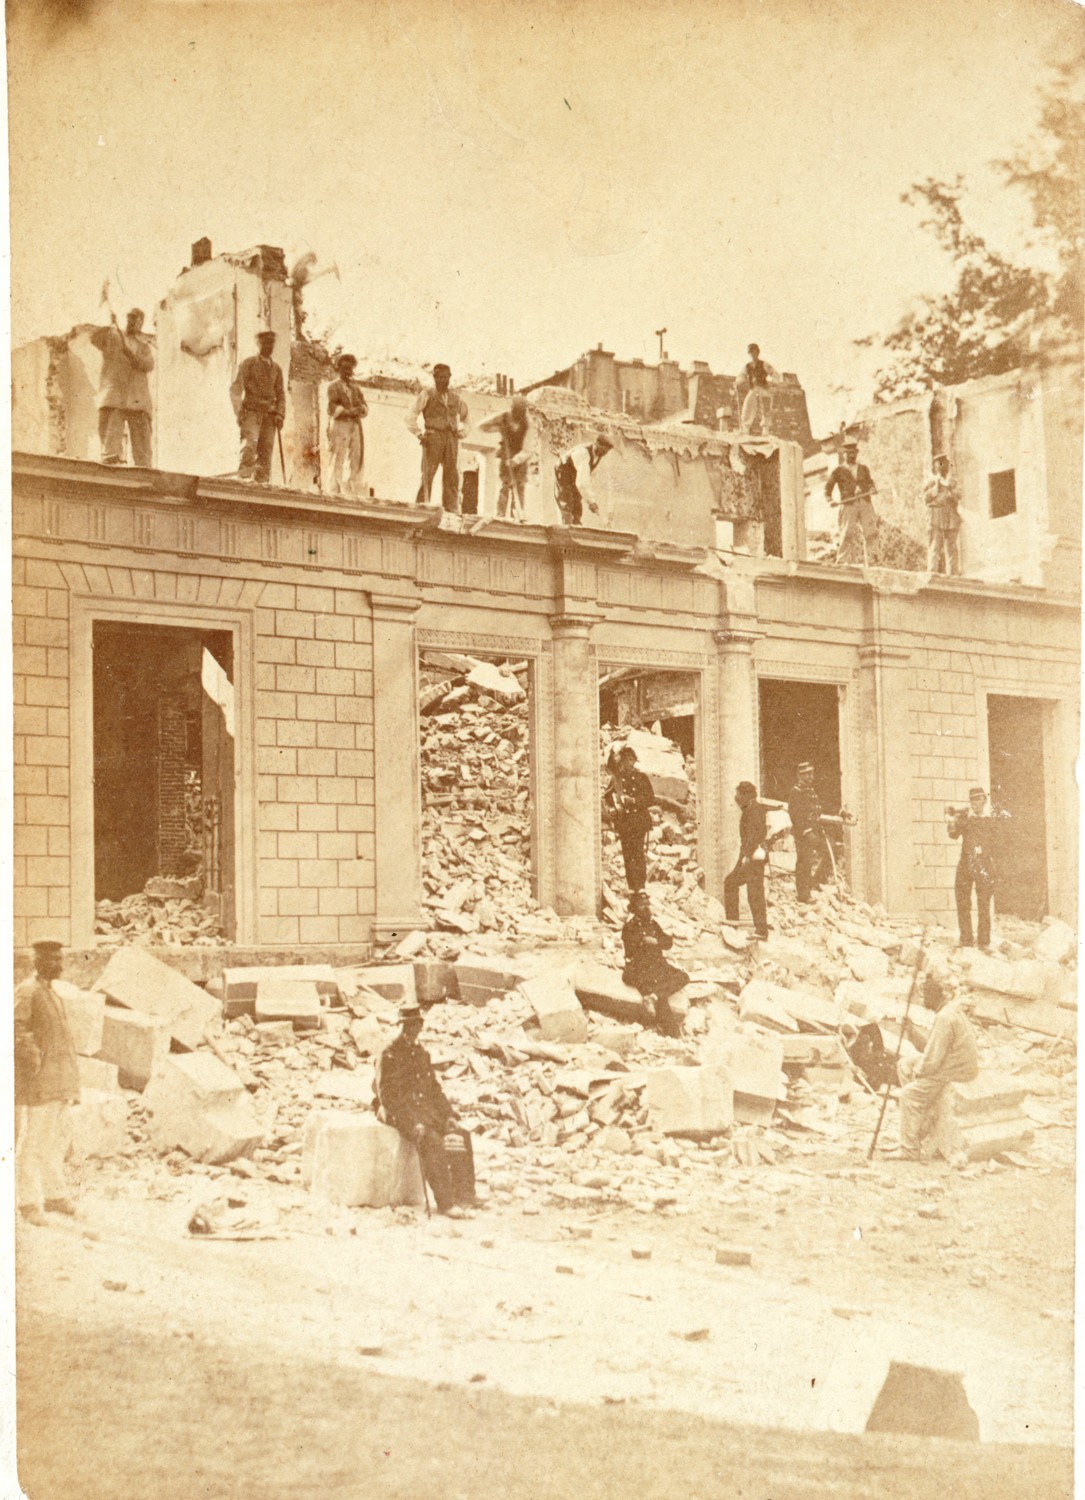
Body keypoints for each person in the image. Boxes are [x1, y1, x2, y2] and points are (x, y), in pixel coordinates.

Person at [374, 1001, 475, 1218]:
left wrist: (448, 1115)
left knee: (460, 1135)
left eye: (416, 1025)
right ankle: (446, 1203)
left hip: (424, 1110)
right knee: (432, 1141)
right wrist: (412, 1123)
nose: (412, 1030)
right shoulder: (389, 1053)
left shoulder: (421, 1053)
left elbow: (433, 1089)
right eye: (407, 1025)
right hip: (397, 1112)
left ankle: (465, 1195)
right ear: (399, 1026)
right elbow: (388, 1097)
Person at [15, 940, 81, 1226]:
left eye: (60, 959)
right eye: (54, 960)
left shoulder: (51, 992)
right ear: (38, 962)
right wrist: (35, 1060)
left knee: (55, 1142)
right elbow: (15, 1028)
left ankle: (55, 1196)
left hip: (59, 1082)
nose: (60, 964)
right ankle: (27, 1203)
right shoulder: (27, 991)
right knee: (32, 1144)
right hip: (41, 1083)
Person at [893, 972, 979, 1162]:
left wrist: (918, 1075)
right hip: (955, 1063)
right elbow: (932, 1049)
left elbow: (932, 1060)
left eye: (924, 996)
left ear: (934, 996)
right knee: (904, 1063)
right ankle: (920, 1125)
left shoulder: (945, 1018)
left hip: (954, 1069)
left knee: (908, 1095)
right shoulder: (948, 1011)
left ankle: (909, 1148)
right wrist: (911, 1032)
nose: (922, 1000)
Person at [90, 308, 155, 467]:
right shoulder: (113, 337)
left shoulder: (143, 346)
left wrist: (131, 355)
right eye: (131, 319)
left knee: (141, 439)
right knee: (111, 429)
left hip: (137, 397)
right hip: (115, 394)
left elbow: (148, 364)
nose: (133, 323)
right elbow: (95, 339)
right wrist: (109, 326)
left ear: (141, 323)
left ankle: (143, 465)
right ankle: (111, 457)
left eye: (137, 320)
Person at [622, 891, 690, 1037]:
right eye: (642, 905)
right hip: (639, 968)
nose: (647, 908)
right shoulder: (630, 926)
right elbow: (631, 950)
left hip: (657, 965)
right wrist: (643, 941)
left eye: (648, 904)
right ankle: (673, 1034)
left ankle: (654, 996)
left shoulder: (653, 924)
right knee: (661, 997)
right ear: (633, 908)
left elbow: (668, 943)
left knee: (683, 977)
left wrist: (657, 941)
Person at [405, 364, 470, 512]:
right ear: (434, 377)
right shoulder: (427, 394)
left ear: (449, 377)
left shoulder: (456, 398)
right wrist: (418, 434)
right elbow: (410, 415)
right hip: (433, 436)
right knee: (428, 472)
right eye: (439, 377)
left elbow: (467, 419)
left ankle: (451, 509)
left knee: (452, 474)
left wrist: (462, 432)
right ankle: (422, 506)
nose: (442, 380)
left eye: (445, 377)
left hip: (451, 439)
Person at [231, 330, 285, 484]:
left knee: (265, 452)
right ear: (258, 344)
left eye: (271, 343)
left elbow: (280, 394)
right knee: (249, 447)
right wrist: (239, 411)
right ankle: (244, 482)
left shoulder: (276, 369)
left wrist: (280, 414)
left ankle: (262, 485)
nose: (268, 346)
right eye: (265, 342)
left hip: (269, 416)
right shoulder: (248, 364)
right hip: (251, 414)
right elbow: (236, 389)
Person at [948, 787, 996, 950]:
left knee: (983, 905)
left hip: (984, 865)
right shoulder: (965, 820)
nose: (975, 803)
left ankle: (984, 942)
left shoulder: (990, 821)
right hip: (966, 864)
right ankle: (966, 940)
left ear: (984, 801)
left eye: (978, 799)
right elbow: (953, 834)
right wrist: (952, 818)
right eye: (972, 800)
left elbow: (999, 845)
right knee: (963, 902)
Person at [603, 744, 654, 891]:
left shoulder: (642, 777)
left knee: (638, 853)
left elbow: (650, 799)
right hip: (624, 822)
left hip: (638, 821)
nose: (630, 763)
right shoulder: (616, 780)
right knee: (627, 855)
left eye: (632, 760)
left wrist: (634, 800)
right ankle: (632, 887)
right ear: (622, 762)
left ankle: (640, 887)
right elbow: (607, 798)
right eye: (627, 760)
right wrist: (612, 808)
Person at [722, 780, 769, 939]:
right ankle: (736, 922)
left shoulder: (752, 810)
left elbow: (755, 835)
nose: (736, 798)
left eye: (738, 794)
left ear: (746, 795)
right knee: (738, 885)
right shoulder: (753, 808)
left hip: (752, 856)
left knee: (752, 891)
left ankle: (758, 930)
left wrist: (747, 856)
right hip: (751, 855)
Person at [480, 395, 533, 519]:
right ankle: (500, 515)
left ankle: (517, 516)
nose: (519, 412)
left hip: (521, 459)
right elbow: (483, 426)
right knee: (504, 486)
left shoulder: (527, 423)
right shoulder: (504, 417)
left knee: (519, 487)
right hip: (506, 456)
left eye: (522, 409)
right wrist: (499, 428)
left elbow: (528, 449)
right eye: (516, 408)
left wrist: (516, 460)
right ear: (512, 407)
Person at [825, 439, 877, 564]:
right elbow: (827, 489)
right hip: (848, 504)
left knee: (871, 532)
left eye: (854, 453)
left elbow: (870, 482)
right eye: (849, 453)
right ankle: (842, 560)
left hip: (865, 503)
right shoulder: (838, 471)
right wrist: (830, 500)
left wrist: (872, 488)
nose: (852, 455)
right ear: (844, 454)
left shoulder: (864, 469)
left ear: (857, 453)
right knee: (847, 533)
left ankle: (871, 560)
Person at [326, 353, 368, 498]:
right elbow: (332, 408)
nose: (347, 372)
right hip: (340, 425)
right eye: (344, 368)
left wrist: (361, 409)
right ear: (339, 368)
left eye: (350, 369)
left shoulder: (355, 388)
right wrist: (349, 411)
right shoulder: (333, 386)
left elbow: (364, 405)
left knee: (355, 456)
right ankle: (333, 491)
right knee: (338, 455)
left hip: (355, 426)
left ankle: (351, 490)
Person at [554, 435, 613, 526]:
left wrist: (591, 500)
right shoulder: (582, 452)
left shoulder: (599, 455)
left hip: (575, 475)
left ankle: (577, 525)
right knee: (566, 501)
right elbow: (582, 483)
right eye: (603, 449)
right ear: (597, 444)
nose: (604, 453)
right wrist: (591, 501)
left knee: (577, 502)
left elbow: (588, 479)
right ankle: (566, 525)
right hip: (563, 472)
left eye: (606, 452)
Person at [788, 761, 825, 903]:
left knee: (828, 850)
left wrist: (840, 812)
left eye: (811, 773)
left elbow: (820, 807)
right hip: (804, 834)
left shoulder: (811, 791)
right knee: (804, 863)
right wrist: (806, 831)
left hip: (815, 832)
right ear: (799, 775)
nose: (810, 777)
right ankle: (803, 895)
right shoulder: (796, 791)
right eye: (806, 774)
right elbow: (795, 815)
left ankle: (814, 882)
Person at [924, 452, 962, 576]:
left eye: (944, 464)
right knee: (935, 545)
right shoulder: (931, 482)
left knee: (952, 547)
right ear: (935, 467)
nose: (942, 467)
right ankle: (932, 571)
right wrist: (935, 488)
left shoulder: (952, 482)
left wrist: (950, 490)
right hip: (936, 515)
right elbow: (925, 498)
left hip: (951, 515)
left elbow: (959, 495)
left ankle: (953, 573)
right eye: (939, 464)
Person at [738, 343, 779, 435]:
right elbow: (742, 376)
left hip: (763, 389)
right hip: (753, 389)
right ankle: (745, 427)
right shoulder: (747, 366)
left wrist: (774, 383)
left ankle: (766, 429)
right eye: (751, 352)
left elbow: (774, 373)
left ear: (757, 352)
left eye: (754, 352)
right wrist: (738, 382)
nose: (752, 354)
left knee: (765, 408)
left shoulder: (764, 364)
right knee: (747, 406)